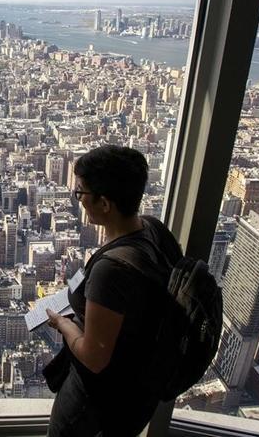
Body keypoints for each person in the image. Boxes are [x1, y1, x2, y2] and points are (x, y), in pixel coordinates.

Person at [45, 145, 183, 437]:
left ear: (105, 204)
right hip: (136, 390)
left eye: (81, 192)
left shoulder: (111, 271)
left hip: (95, 402)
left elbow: (94, 357)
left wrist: (64, 324)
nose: (78, 199)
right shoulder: (154, 230)